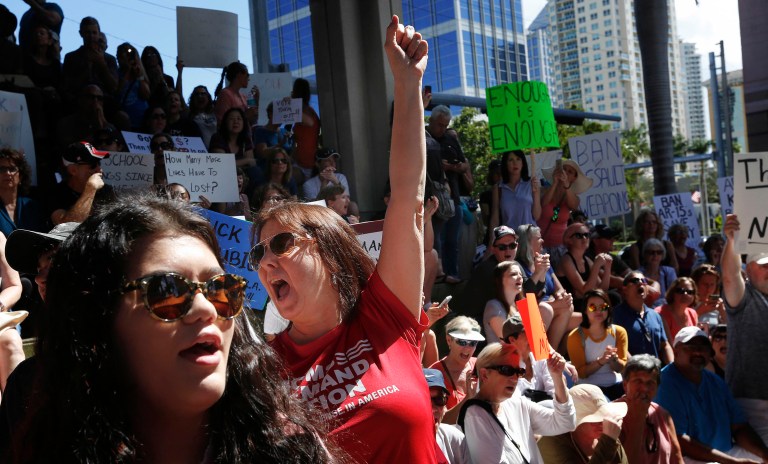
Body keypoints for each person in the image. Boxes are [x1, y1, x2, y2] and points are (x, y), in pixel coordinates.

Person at [8, 194, 341, 462]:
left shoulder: (293, 451)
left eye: (220, 289)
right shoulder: (45, 444)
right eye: (167, 291)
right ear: (101, 318)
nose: (205, 309)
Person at [248, 16, 438, 463]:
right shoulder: (261, 369)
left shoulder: (383, 317)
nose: (265, 261)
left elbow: (408, 195)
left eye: (281, 244)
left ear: (328, 249)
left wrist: (407, 85)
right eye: (259, 251)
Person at [654, 327, 768, 463]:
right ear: (676, 351)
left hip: (725, 454)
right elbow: (678, 441)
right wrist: (731, 462)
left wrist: (765, 454)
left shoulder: (715, 382)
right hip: (687, 458)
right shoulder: (665, 383)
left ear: (710, 353)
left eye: (703, 347)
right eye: (690, 346)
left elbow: (739, 427)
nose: (698, 352)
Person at [460, 343, 575, 463]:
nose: (515, 378)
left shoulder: (517, 403)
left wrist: (557, 376)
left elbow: (565, 422)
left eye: (518, 371)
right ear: (484, 374)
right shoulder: (475, 414)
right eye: (507, 370)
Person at [722, 214, 768, 445]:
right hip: (752, 406)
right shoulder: (745, 299)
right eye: (763, 266)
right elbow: (729, 277)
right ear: (748, 270)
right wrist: (732, 241)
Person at [614, 354, 684, 464]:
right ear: (625, 385)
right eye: (638, 381)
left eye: (650, 383)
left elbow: (677, 458)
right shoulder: (612, 416)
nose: (644, 388)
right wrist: (639, 418)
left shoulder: (663, 415)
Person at [425, 105, 468, 284]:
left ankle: (453, 274)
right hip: (434, 199)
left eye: (446, 125)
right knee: (437, 242)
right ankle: (440, 276)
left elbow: (465, 166)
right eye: (440, 125)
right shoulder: (424, 138)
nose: (443, 128)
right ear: (431, 121)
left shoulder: (450, 138)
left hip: (453, 199)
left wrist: (451, 167)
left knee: (452, 242)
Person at [516, 223, 576, 351]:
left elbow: (559, 288)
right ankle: (545, 354)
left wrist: (561, 296)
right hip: (536, 312)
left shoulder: (544, 260)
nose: (542, 240)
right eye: (538, 238)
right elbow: (525, 300)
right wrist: (556, 304)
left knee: (587, 321)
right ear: (527, 243)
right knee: (551, 308)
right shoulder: (518, 266)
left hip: (552, 308)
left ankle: (556, 353)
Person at [537, 384, 629, 463]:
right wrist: (608, 442)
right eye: (595, 419)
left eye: (604, 417)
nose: (602, 423)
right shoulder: (551, 443)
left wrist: (610, 440)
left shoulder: (608, 434)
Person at [567, 289, 628, 400]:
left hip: (616, 385)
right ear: (585, 310)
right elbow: (581, 373)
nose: (598, 311)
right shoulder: (575, 336)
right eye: (593, 307)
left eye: (603, 307)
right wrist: (601, 361)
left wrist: (614, 359)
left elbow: (621, 368)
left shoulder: (619, 332)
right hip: (588, 390)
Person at [612, 272, 674, 364]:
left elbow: (664, 345)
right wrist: (637, 368)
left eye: (644, 281)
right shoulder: (615, 315)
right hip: (632, 375)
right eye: (635, 280)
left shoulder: (655, 315)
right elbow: (617, 346)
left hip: (654, 373)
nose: (640, 283)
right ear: (625, 289)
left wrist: (670, 367)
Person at [47, 141, 115, 226]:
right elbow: (66, 226)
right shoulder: (55, 194)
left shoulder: (107, 192)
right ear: (73, 170)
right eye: (93, 165)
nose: (99, 170)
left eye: (99, 163)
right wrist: (90, 189)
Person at [430, 316, 483, 421]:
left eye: (473, 343)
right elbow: (440, 421)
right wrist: (468, 398)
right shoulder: (435, 374)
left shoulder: (481, 364)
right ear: (449, 340)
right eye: (462, 342)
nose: (467, 348)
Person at [539, 159, 592, 252]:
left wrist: (566, 185)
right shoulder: (543, 190)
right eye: (564, 169)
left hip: (561, 247)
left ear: (574, 178)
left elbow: (573, 206)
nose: (565, 173)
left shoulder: (573, 198)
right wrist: (555, 183)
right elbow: (543, 203)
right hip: (540, 246)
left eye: (570, 172)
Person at [557, 222, 612, 312]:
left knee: (612, 297)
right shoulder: (566, 260)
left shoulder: (587, 260)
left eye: (587, 235)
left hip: (587, 302)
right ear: (569, 240)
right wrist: (596, 267)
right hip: (573, 306)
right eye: (579, 235)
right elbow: (585, 291)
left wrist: (608, 268)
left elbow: (602, 290)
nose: (584, 238)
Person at [502, 315, 558, 404]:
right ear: (512, 340)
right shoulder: (504, 367)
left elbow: (555, 393)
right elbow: (516, 404)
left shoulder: (541, 358)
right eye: (529, 333)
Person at [61, 17, 119, 103]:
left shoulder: (109, 59)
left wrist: (102, 64)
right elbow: (67, 86)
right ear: (81, 33)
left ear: (99, 34)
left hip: (104, 100)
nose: (91, 36)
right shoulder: (71, 57)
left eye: (94, 33)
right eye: (88, 33)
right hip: (79, 100)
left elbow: (114, 87)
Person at [489, 150, 541, 236]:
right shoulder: (498, 188)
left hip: (531, 237)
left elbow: (537, 216)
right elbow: (495, 218)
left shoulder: (532, 184)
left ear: (523, 162)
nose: (515, 163)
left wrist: (535, 193)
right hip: (510, 240)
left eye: (518, 159)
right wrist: (492, 240)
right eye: (510, 160)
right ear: (505, 164)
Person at [424, 368, 471, 464]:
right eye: (425, 401)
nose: (433, 409)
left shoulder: (454, 438)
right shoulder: (400, 445)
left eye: (439, 400)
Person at [0, 149, 48, 237]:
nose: (7, 173)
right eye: (2, 169)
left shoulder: (32, 206)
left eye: (12, 169)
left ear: (21, 176)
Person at [483, 261, 525, 345]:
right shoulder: (493, 306)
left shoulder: (523, 304)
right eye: (513, 274)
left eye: (521, 274)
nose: (520, 277)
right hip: (503, 357)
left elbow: (538, 337)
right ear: (499, 280)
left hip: (526, 355)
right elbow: (510, 343)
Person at [290, 77, 321, 178]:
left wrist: (291, 105)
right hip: (299, 162)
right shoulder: (303, 112)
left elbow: (310, 122)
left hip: (309, 163)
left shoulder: (308, 112)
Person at [655, 277, 699, 341]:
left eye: (690, 292)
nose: (685, 294)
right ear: (673, 293)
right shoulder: (660, 312)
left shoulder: (693, 313)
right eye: (680, 291)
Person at [638, 238, 678, 307]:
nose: (655, 255)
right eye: (651, 252)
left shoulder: (669, 272)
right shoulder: (638, 274)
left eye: (659, 252)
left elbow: (674, 294)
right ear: (644, 254)